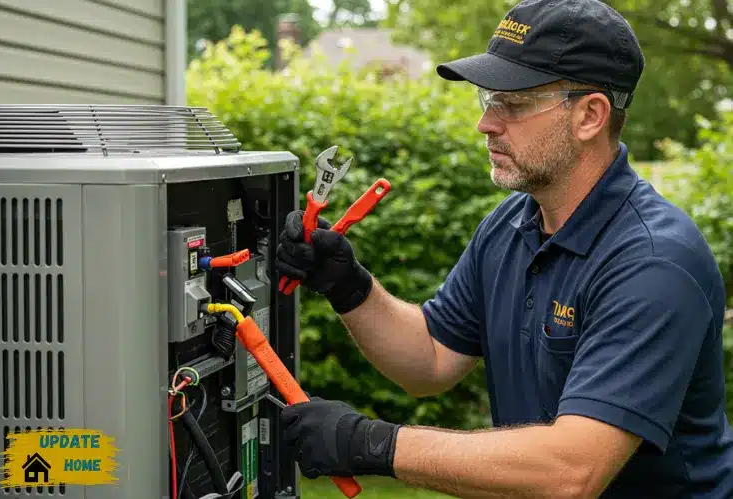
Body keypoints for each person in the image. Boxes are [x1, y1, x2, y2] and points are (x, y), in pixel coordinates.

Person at [275, 0, 733, 497]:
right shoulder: (512, 225)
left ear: (590, 116)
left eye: (512, 104)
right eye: (488, 100)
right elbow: (430, 359)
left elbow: (571, 471)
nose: (486, 123)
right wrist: (348, 285)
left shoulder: (652, 262)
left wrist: (372, 445)